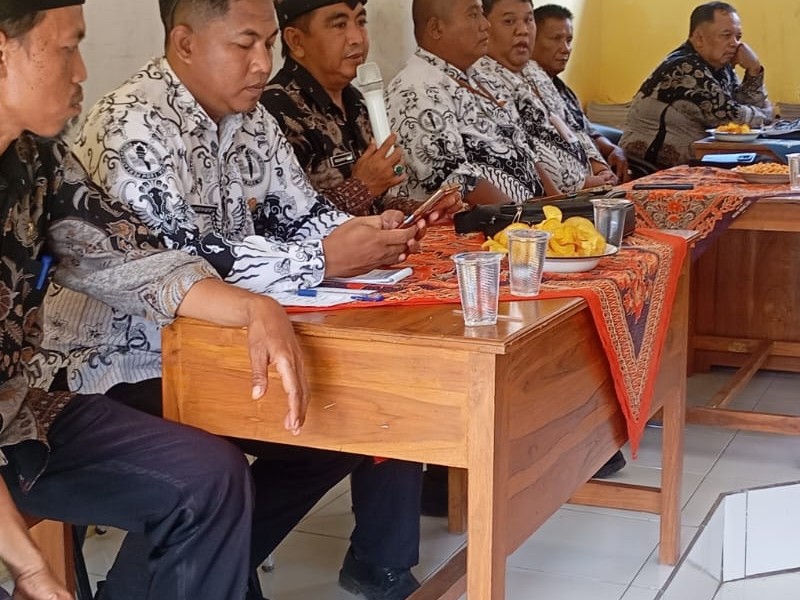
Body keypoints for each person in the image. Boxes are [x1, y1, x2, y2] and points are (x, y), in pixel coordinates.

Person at [36, 1, 431, 599]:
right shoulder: (132, 124)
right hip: (122, 356)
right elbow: (169, 260)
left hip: (215, 343)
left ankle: (192, 574)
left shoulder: (252, 119)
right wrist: (320, 260)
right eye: (245, 45)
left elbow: (302, 215)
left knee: (340, 421)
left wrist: (370, 235)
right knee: (213, 469)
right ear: (185, 43)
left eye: (268, 44)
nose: (262, 63)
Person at [0, 2, 276, 598]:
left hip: (17, 420)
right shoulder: (132, 118)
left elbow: (121, 256)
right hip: (61, 390)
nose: (81, 71)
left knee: (209, 478)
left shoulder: (34, 158)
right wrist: (29, 566)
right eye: (67, 48)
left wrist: (253, 309)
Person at [385, 0, 560, 206]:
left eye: (482, 14)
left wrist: (559, 207)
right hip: (492, 221)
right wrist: (529, 219)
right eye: (473, 15)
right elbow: (458, 182)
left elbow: (525, 148)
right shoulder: (415, 90)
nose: (486, 25)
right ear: (436, 28)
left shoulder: (480, 78)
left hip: (533, 215)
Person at [261, 0, 414, 216]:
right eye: (339, 25)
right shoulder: (273, 113)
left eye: (361, 22)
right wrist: (362, 187)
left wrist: (421, 210)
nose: (357, 38)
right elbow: (284, 221)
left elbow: (378, 204)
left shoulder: (357, 100)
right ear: (296, 41)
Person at [476, 0, 617, 193]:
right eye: (509, 21)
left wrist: (599, 167)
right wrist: (582, 184)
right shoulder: (480, 80)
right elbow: (523, 149)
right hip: (553, 198)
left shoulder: (535, 70)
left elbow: (573, 126)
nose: (523, 30)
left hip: (592, 186)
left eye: (528, 20)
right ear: (484, 26)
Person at [619, 1, 772, 169]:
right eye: (726, 35)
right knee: (763, 165)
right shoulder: (685, 68)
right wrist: (766, 115)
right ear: (699, 38)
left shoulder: (720, 67)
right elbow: (734, 120)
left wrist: (754, 71)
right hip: (653, 167)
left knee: (763, 165)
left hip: (693, 162)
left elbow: (744, 110)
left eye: (738, 37)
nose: (735, 44)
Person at [531, 4, 629, 181]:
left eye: (569, 40)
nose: (565, 49)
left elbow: (587, 131)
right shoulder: (526, 93)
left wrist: (613, 149)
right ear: (530, 39)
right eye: (555, 39)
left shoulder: (562, 90)